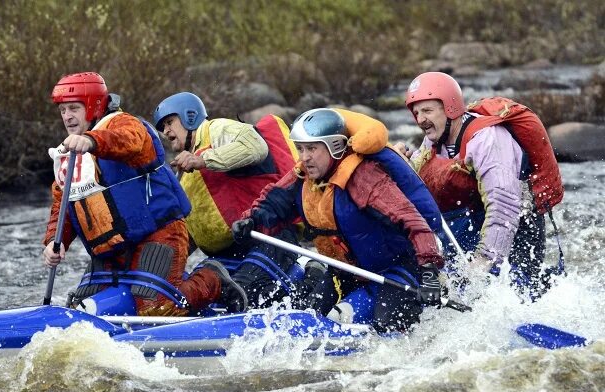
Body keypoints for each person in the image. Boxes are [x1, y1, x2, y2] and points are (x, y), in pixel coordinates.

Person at [42, 72, 247, 316]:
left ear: (94, 105)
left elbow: (134, 141)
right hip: (112, 249)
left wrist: (92, 140)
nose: (67, 116)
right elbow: (63, 203)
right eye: (63, 110)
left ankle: (213, 279)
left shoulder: (123, 124)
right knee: (78, 312)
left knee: (157, 309)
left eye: (74, 108)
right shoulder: (70, 152)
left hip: (157, 234)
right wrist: (54, 243)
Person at [231, 108, 445, 332]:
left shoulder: (364, 177)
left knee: (386, 324)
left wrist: (430, 272)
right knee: (306, 317)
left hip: (400, 267)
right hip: (347, 272)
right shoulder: (304, 175)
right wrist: (251, 221)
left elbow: (414, 222)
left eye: (312, 148)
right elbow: (274, 203)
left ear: (334, 147)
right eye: (301, 149)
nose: (305, 157)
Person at [403, 72, 564, 297]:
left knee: (517, 295)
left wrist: (483, 263)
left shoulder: (488, 138)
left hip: (517, 228)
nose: (421, 120)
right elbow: (418, 185)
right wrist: (401, 163)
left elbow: (504, 208)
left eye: (427, 111)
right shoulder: (433, 139)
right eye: (417, 113)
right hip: (473, 225)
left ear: (450, 108)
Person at [153, 92, 312, 307]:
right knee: (193, 298)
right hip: (230, 252)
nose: (165, 131)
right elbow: (193, 230)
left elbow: (256, 146)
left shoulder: (216, 129)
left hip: (268, 236)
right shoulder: (185, 169)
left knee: (241, 296)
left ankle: (310, 280)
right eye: (162, 127)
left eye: (169, 122)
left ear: (189, 116)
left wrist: (202, 160)